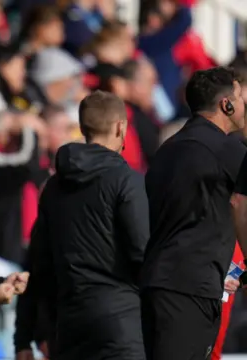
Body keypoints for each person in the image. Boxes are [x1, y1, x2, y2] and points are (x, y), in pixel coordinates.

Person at [13, 90, 149, 360]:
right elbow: (142, 255)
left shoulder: (53, 186)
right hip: (121, 324)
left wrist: (23, 338)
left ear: (83, 128)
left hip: (68, 326)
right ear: (120, 127)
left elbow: (37, 264)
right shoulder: (127, 181)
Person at [142, 66, 246, 360]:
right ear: (226, 105)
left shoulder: (167, 149)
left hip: (158, 283)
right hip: (192, 289)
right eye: (239, 97)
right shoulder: (228, 150)